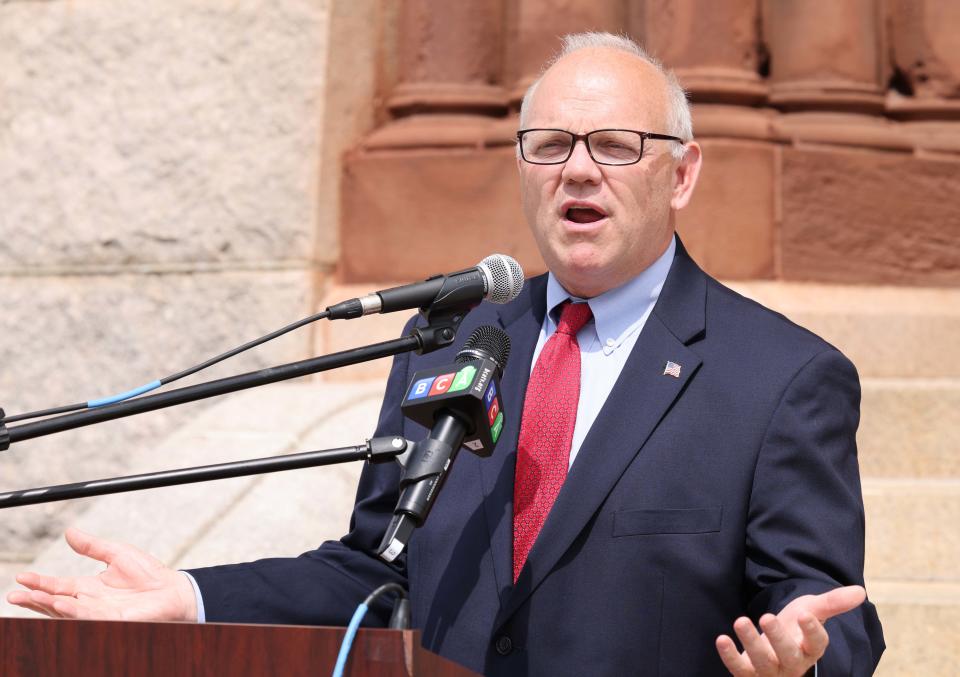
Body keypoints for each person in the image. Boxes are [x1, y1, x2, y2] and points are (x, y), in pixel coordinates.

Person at [8, 32, 884, 676]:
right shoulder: (460, 339)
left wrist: (800, 660)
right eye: (550, 146)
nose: (578, 171)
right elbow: (372, 565)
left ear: (681, 174)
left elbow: (833, 614)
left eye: (617, 146)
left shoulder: (780, 379)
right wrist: (193, 597)